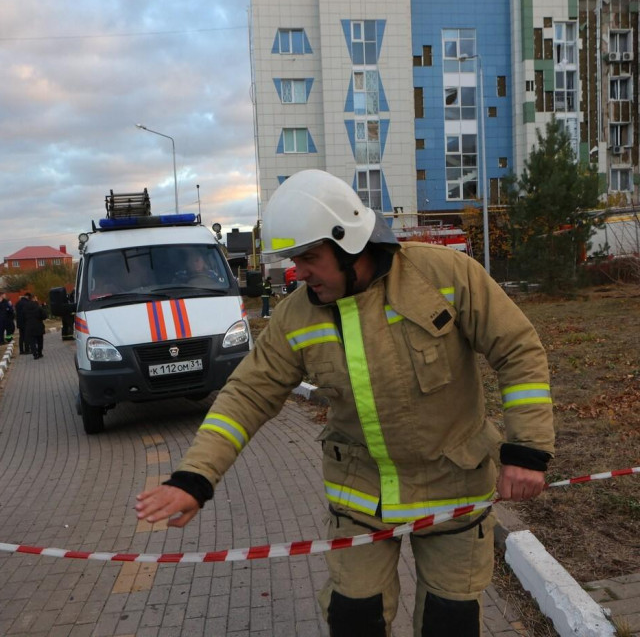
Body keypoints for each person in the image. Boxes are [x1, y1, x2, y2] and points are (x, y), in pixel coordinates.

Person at [136, 170, 555, 637]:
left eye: (310, 258)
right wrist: (195, 477)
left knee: (450, 623)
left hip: (453, 492)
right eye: (295, 260)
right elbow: (247, 395)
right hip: (360, 503)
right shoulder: (298, 315)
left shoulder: (445, 277)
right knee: (355, 621)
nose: (300, 272)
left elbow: (517, 349)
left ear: (350, 245)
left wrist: (527, 450)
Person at [23, 294, 47, 359]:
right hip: (38, 326)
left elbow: (23, 317)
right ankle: (39, 353)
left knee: (32, 341)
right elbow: (44, 316)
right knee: (40, 341)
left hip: (29, 326)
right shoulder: (38, 307)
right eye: (36, 298)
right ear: (33, 299)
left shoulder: (25, 307)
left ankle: (35, 354)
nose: (37, 299)